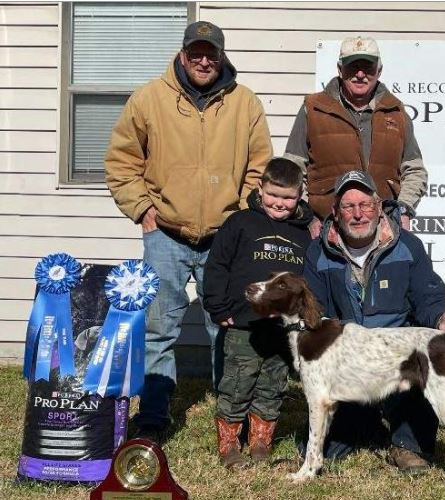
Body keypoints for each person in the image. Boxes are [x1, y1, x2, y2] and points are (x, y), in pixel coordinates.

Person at [105, 20, 273, 440]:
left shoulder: (245, 103)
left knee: (228, 325)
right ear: (183, 54)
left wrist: (240, 217)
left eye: (210, 53)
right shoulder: (149, 99)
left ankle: (228, 412)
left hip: (224, 236)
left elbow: (260, 166)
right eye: (195, 52)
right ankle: (155, 415)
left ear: (221, 56)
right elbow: (122, 162)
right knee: (160, 327)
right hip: (165, 233)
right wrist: (142, 208)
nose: (203, 60)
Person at [303, 170, 445, 472]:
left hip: (398, 360)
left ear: (379, 208)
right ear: (335, 212)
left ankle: (408, 444)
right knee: (328, 448)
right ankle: (364, 426)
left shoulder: (408, 246)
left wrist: (442, 318)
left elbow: (427, 297)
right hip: (349, 365)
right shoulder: (318, 251)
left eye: (365, 205)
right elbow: (315, 312)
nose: (358, 214)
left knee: (421, 371)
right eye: (348, 206)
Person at [203, 157, 313, 468]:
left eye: (288, 198)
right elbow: (217, 266)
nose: (280, 203)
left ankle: (261, 442)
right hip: (243, 324)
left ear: (300, 195)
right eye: (274, 195)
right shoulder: (239, 223)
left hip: (282, 328)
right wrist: (218, 306)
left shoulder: (304, 233)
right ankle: (229, 445)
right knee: (238, 382)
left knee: (272, 384)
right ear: (260, 189)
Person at [285, 36, 427, 235]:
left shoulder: (396, 112)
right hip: (325, 229)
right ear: (340, 69)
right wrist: (308, 216)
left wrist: (403, 210)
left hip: (382, 228)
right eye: (353, 66)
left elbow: (415, 171)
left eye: (368, 67)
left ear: (379, 71)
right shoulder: (313, 109)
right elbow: (293, 169)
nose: (360, 74)